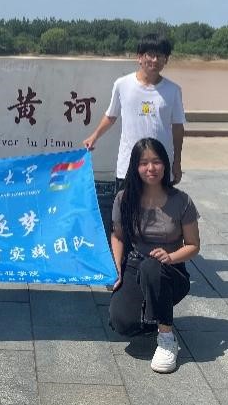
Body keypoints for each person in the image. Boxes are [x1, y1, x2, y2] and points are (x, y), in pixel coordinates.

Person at [108, 138, 200, 373]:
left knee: (152, 267)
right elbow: (118, 236)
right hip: (135, 265)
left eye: (156, 162)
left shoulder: (181, 201)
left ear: (165, 165)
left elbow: (193, 245)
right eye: (144, 163)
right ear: (135, 167)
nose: (151, 168)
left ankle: (166, 337)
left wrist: (171, 257)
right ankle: (155, 314)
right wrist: (116, 268)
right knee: (122, 322)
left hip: (171, 271)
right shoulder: (124, 198)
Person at [83, 33, 185, 192]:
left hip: (160, 167)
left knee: (161, 208)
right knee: (126, 207)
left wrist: (177, 162)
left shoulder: (173, 90)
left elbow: (178, 128)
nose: (155, 60)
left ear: (166, 60)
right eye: (150, 55)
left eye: (160, 56)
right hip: (128, 165)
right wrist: (94, 136)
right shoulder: (122, 85)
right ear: (139, 57)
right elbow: (111, 116)